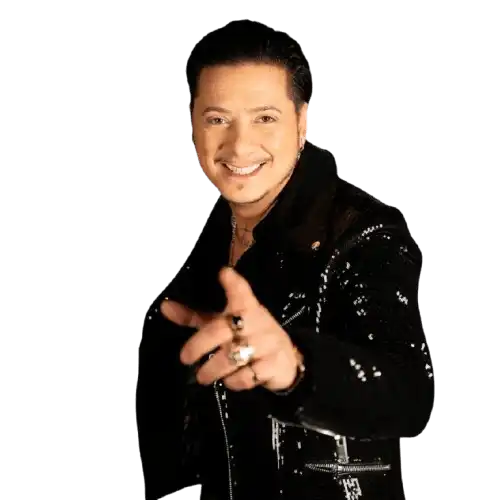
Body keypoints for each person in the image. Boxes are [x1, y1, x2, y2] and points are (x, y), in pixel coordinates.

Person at [135, 19, 434, 500]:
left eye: (265, 118)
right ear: (193, 122)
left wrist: (297, 366)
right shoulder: (215, 240)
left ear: (301, 123)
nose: (238, 145)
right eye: (217, 119)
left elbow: (409, 395)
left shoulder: (364, 232)